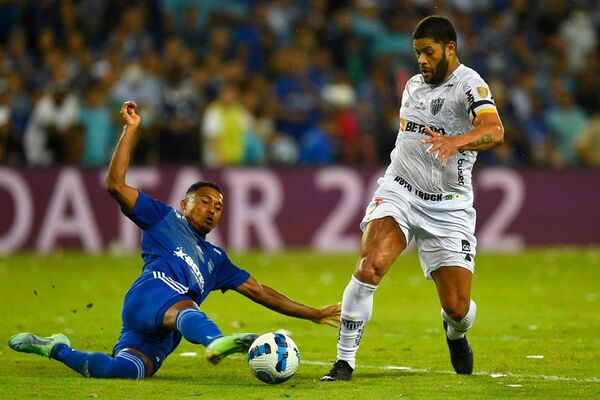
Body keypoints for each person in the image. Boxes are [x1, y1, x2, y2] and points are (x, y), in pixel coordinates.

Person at [9, 100, 341, 379]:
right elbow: (114, 185)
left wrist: (311, 313)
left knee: (124, 371)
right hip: (150, 297)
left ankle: (55, 347)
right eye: (205, 201)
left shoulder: (216, 260)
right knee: (185, 304)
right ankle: (216, 341)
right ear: (185, 204)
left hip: (165, 333)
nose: (213, 210)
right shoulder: (163, 218)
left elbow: (261, 292)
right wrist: (131, 130)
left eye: (220, 207)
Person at [321, 16, 504, 381]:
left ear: (450, 49)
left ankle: (456, 333)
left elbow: (494, 130)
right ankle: (344, 362)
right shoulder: (414, 87)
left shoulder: (470, 85)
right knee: (370, 265)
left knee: (457, 307)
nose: (421, 59)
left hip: (449, 206)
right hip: (400, 191)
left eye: (428, 52)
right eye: (417, 52)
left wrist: (456, 141)